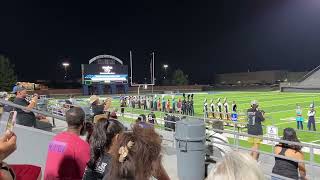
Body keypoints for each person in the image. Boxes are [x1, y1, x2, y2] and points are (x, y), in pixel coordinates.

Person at [44, 107, 90, 179]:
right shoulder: (82, 146)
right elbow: (86, 174)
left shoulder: (56, 139)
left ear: (67, 121)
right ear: (83, 123)